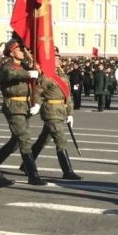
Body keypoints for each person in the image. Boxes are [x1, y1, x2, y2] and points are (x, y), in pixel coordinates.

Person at [20, 46, 81, 180]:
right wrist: (36, 104)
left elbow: (68, 97)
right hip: (50, 111)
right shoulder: (46, 76)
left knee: (43, 140)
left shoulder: (64, 76)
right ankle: (67, 171)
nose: (58, 60)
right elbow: (37, 91)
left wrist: (70, 113)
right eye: (55, 58)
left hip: (61, 111)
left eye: (59, 58)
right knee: (61, 139)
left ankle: (26, 165)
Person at [0, 38, 42, 187]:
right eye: (20, 49)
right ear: (11, 51)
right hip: (13, 107)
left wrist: (38, 103)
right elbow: (9, 74)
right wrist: (29, 74)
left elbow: (37, 85)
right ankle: (33, 175)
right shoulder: (7, 65)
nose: (24, 51)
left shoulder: (26, 67)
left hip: (26, 107)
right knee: (24, 139)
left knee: (15, 142)